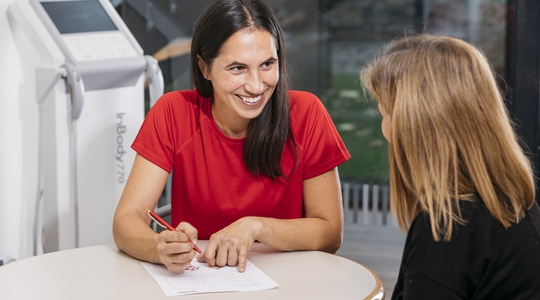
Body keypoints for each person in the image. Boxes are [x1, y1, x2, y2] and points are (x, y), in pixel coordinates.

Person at [113, 0, 350, 273]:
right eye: (237, 68)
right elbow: (126, 219)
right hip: (197, 282)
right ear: (204, 68)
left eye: (267, 64)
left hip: (286, 281)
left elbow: (331, 235)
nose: (256, 85)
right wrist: (158, 247)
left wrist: (255, 226)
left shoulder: (307, 113)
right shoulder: (172, 112)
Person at [360, 33, 540, 299]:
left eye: (385, 113)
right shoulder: (512, 200)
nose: (384, 128)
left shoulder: (448, 229)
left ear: (416, 126)